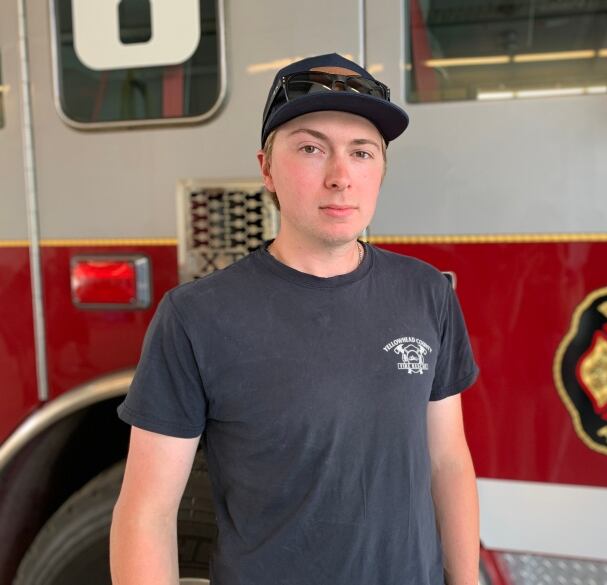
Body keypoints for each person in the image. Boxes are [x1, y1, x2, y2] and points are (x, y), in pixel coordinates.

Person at [110, 53, 480, 585]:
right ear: (266, 168)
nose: (340, 177)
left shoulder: (426, 293)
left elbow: (447, 461)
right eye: (311, 148)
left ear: (381, 171)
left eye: (362, 153)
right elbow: (147, 512)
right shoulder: (196, 318)